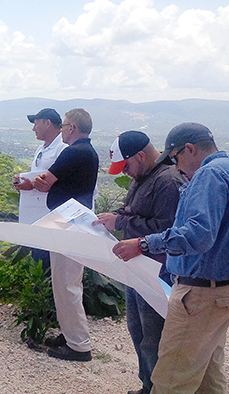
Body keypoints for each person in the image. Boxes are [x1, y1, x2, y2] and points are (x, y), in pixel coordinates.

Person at [112, 123, 229, 394]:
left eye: (175, 158)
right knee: (207, 379)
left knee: (171, 381)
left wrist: (144, 243)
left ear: (189, 149)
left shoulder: (209, 175)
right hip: (224, 290)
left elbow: (198, 235)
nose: (176, 168)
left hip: (201, 294)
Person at [93, 131, 185, 394]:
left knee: (154, 335)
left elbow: (166, 229)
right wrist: (113, 217)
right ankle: (147, 386)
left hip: (158, 270)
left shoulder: (167, 181)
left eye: (126, 166)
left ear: (141, 156)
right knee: (138, 330)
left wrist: (121, 222)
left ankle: (158, 389)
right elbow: (133, 210)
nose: (126, 173)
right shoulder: (142, 177)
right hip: (137, 266)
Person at [32, 108, 98, 362]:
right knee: (69, 282)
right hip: (76, 220)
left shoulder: (73, 152)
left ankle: (79, 345)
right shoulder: (88, 152)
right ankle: (71, 334)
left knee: (66, 283)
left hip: (68, 222)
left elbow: (44, 181)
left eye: (64, 125)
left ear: (72, 128)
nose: (61, 130)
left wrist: (41, 182)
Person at [14, 108, 68, 268]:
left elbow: (64, 182)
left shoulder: (63, 149)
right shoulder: (41, 149)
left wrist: (32, 185)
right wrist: (24, 180)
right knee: (38, 261)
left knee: (50, 265)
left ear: (47, 123)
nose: (33, 128)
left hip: (53, 218)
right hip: (37, 216)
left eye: (36, 124)